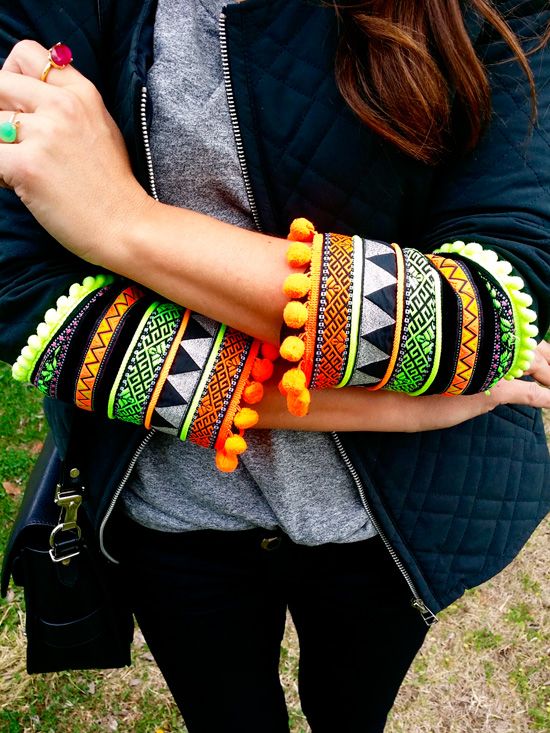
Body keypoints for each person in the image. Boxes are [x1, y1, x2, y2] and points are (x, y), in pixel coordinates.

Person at [0, 0, 549, 731]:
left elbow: (484, 317)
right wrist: (405, 402)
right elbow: (29, 300)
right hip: (170, 510)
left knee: (349, 712)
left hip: (387, 523)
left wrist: (120, 222)